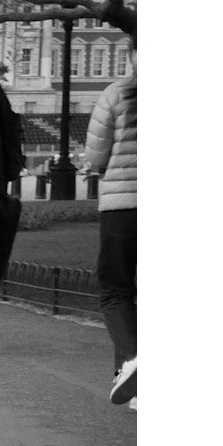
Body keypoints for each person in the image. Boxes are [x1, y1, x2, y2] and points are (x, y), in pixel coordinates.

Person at [80, 65, 136, 405]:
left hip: (124, 205)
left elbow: (96, 156)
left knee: (116, 290)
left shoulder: (117, 94)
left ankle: (132, 360)